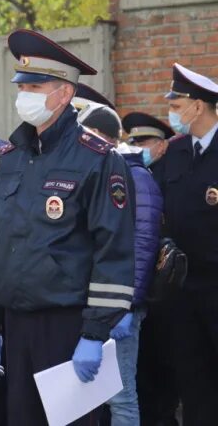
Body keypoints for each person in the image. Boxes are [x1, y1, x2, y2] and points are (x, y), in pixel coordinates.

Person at [0, 29, 135, 426]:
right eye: (21, 85)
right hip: (16, 323)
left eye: (34, 85)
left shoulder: (97, 160)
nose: (23, 94)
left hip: (68, 326)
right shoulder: (11, 158)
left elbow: (113, 250)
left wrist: (95, 333)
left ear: (64, 93)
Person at [80, 105, 163, 426]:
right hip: (92, 301)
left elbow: (143, 245)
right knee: (89, 395)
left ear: (102, 137)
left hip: (122, 303)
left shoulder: (135, 177)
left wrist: (130, 304)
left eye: (87, 134)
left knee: (121, 396)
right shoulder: (93, 173)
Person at [152, 63, 218, 425]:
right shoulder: (172, 152)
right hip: (181, 291)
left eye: (177, 107)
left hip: (216, 286)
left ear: (199, 106)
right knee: (193, 386)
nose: (172, 114)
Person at [121, 111, 179, 426]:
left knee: (160, 371)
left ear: (162, 144)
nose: (138, 146)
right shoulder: (130, 174)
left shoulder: (162, 173)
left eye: (146, 141)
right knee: (137, 377)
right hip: (137, 288)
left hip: (162, 289)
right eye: (133, 141)